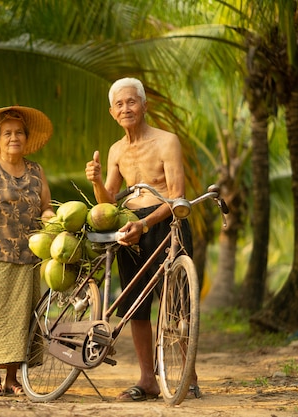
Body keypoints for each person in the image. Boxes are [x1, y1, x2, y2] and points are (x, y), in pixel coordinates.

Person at [85, 77, 199, 402]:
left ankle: (188, 375)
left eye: (131, 101)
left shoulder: (167, 142)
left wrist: (145, 224)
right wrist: (95, 182)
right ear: (112, 112)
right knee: (136, 307)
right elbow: (107, 201)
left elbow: (177, 196)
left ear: (144, 105)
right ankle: (148, 379)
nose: (126, 108)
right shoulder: (116, 150)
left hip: (164, 226)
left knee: (177, 307)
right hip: (130, 230)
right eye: (119, 104)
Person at [0, 106, 56, 397]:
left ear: (26, 138)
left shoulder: (35, 170)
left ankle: (13, 378)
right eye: (7, 133)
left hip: (28, 254)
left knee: (21, 317)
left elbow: (45, 207)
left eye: (19, 132)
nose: (13, 137)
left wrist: (53, 219)